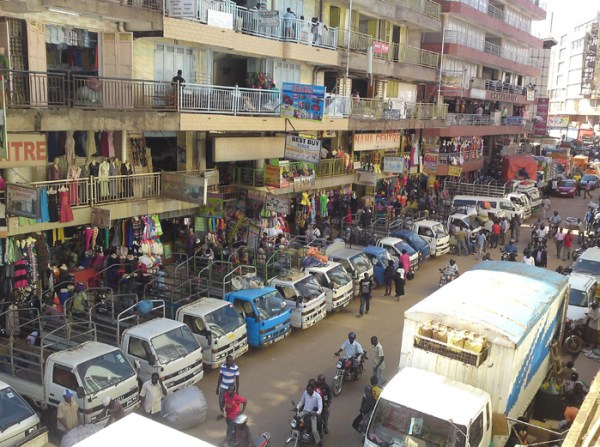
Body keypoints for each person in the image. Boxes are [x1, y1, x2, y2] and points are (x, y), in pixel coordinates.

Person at [216, 355, 240, 420]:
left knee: (231, 402)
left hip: (231, 388)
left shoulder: (235, 368)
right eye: (228, 361)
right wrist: (217, 388)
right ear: (226, 361)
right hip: (223, 386)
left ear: (232, 361)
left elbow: (237, 380)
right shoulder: (222, 366)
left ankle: (232, 413)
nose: (229, 362)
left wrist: (237, 390)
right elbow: (220, 377)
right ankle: (223, 413)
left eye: (231, 361)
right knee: (221, 401)